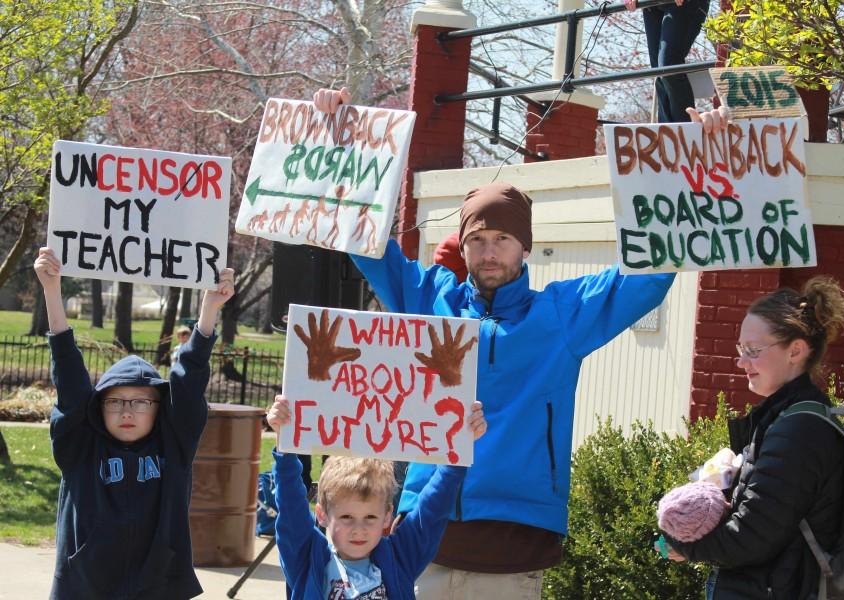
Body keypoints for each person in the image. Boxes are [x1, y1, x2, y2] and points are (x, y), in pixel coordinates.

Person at [309, 87, 676, 598]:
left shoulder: (560, 314)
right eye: (476, 240)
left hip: (515, 539)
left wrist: (697, 154)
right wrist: (339, 139)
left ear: (524, 245)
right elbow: (363, 238)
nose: (488, 252)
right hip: (422, 534)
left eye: (502, 239)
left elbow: (651, 272)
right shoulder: (428, 296)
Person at [34, 246, 234, 600]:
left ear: (159, 408)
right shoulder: (80, 448)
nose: (128, 411)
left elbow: (188, 385)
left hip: (157, 584)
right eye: (115, 402)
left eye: (141, 402)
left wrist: (208, 310)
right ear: (98, 407)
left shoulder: (174, 446)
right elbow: (70, 382)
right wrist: (52, 290)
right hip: (85, 586)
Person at [660, 276, 844, 599]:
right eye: (740, 349)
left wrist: (682, 545)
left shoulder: (799, 431)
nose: (741, 362)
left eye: (753, 350)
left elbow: (749, 538)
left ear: (796, 350)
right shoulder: (787, 418)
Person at [265, 395, 487, 599]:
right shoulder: (306, 557)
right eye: (346, 517)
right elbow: (291, 507)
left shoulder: (400, 557)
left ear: (387, 515)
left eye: (370, 517)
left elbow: (433, 508)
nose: (359, 528)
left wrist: (460, 447)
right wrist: (284, 445)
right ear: (322, 514)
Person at [625, 0, 710, 123]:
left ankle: (684, 131)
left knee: (668, 65)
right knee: (659, 72)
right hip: (652, 5)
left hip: (684, 4)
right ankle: (667, 133)